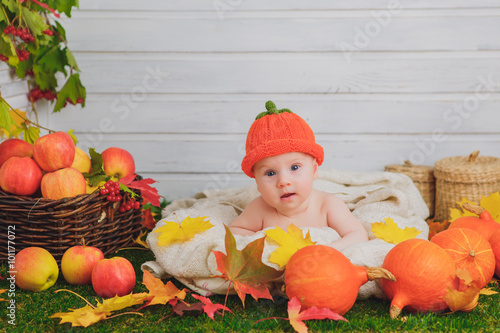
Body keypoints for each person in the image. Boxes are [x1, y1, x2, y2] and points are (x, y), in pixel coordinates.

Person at [229, 101, 368, 251]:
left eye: (294, 167)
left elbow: (357, 234)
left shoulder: (328, 206)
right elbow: (235, 232)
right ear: (256, 181)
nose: (283, 181)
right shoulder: (258, 209)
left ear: (314, 170)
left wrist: (332, 248)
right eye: (270, 173)